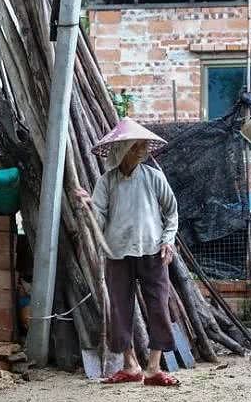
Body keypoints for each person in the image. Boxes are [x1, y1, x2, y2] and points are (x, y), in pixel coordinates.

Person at [75, 118, 180, 387]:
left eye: (144, 145)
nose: (143, 150)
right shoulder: (106, 183)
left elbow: (171, 212)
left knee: (158, 305)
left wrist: (168, 240)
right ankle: (130, 365)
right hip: (118, 253)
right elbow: (98, 219)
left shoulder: (154, 178)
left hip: (153, 251)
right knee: (120, 309)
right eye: (137, 146)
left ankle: (154, 368)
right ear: (123, 150)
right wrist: (88, 206)